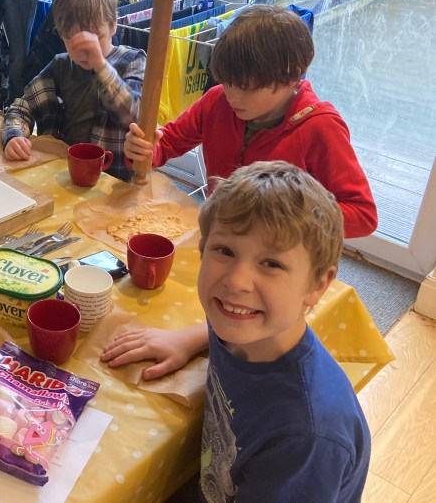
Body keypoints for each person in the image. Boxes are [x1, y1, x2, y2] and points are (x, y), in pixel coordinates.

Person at [101, 161, 370, 501]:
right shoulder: (241, 325)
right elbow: (220, 328)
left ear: (318, 285)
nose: (236, 281)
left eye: (271, 263)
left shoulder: (307, 438)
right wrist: (188, 339)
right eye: (225, 251)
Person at [124, 4, 377, 238]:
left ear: (291, 77)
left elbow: (362, 215)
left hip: (281, 248)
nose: (232, 96)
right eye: (227, 82)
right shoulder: (217, 100)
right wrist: (143, 151)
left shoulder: (320, 127)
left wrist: (290, 215)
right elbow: (166, 144)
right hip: (224, 233)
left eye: (245, 87)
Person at [2, 0, 146, 181]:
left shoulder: (133, 60)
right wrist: (14, 136)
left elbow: (133, 115)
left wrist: (101, 66)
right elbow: (20, 108)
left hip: (115, 183)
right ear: (62, 35)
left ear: (114, 25)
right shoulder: (61, 66)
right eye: (74, 41)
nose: (86, 51)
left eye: (96, 38)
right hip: (65, 176)